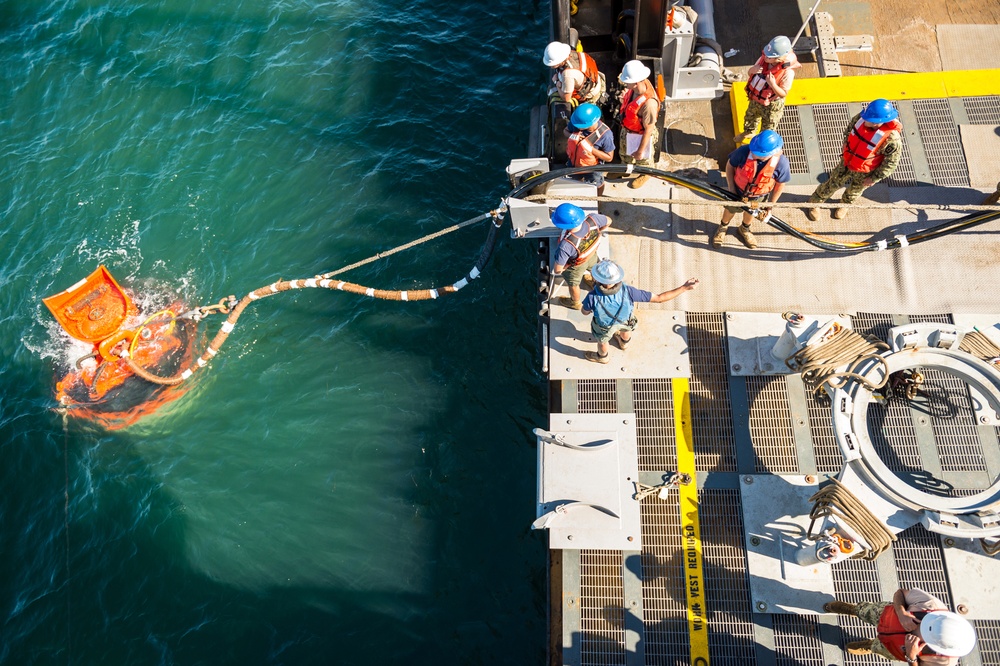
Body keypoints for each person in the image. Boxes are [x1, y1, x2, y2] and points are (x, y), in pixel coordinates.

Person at [580, 260, 698, 364]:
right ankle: (624, 343)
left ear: (598, 279)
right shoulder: (629, 291)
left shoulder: (592, 297)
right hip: (625, 321)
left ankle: (602, 357)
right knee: (625, 330)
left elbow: (584, 312)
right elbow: (659, 298)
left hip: (604, 327)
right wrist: (684, 287)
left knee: (603, 341)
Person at [805, 98, 903, 221]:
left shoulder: (892, 139)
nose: (864, 119)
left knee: (855, 190)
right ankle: (815, 201)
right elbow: (849, 129)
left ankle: (845, 204)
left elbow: (891, 163)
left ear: (876, 122)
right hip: (847, 162)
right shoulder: (861, 118)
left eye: (868, 119)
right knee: (833, 182)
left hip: (866, 171)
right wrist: (845, 143)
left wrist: (874, 178)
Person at [823, 588, 976, 664]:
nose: (917, 630)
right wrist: (901, 612)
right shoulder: (932, 605)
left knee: (879, 648)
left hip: (894, 649)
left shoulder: (945, 662)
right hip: (885, 614)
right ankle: (853, 609)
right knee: (865, 611)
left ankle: (871, 646)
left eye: (923, 634)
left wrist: (911, 656)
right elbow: (900, 593)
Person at [712, 129, 790, 250]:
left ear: (770, 153)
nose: (753, 154)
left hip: (758, 196)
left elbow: (780, 185)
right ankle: (723, 227)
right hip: (737, 191)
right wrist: (731, 188)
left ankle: (744, 229)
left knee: (751, 213)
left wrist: (770, 205)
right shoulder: (744, 151)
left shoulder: (782, 164)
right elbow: (730, 166)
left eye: (758, 153)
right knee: (730, 210)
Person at [734, 35, 799, 145]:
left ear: (779, 59)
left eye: (769, 56)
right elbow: (750, 74)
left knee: (768, 127)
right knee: (750, 116)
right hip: (756, 99)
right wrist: (752, 70)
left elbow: (783, 93)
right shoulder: (762, 59)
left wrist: (773, 84)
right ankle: (748, 132)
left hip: (772, 104)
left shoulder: (788, 72)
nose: (765, 57)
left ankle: (761, 143)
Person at [551, 203, 613, 310]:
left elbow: (557, 270)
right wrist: (599, 231)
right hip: (592, 255)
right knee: (595, 270)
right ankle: (594, 282)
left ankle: (574, 302)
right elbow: (609, 220)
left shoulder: (565, 246)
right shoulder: (593, 219)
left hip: (576, 266)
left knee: (574, 284)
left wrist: (567, 265)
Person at [617, 59, 660, 189]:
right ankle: (624, 168)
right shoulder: (638, 87)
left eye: (626, 82)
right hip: (628, 130)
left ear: (635, 83)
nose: (624, 83)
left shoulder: (649, 104)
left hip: (641, 135)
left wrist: (641, 150)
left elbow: (649, 129)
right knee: (625, 153)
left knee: (644, 160)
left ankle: (647, 173)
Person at [565, 103, 615, 196]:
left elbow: (609, 157)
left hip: (593, 168)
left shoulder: (606, 135)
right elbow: (565, 131)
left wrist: (591, 149)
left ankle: (598, 200)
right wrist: (571, 135)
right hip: (574, 163)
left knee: (597, 184)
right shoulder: (576, 123)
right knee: (574, 181)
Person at [542, 41, 606, 106]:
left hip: (591, 94)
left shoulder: (567, 74)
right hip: (596, 80)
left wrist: (557, 82)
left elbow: (566, 98)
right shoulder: (572, 53)